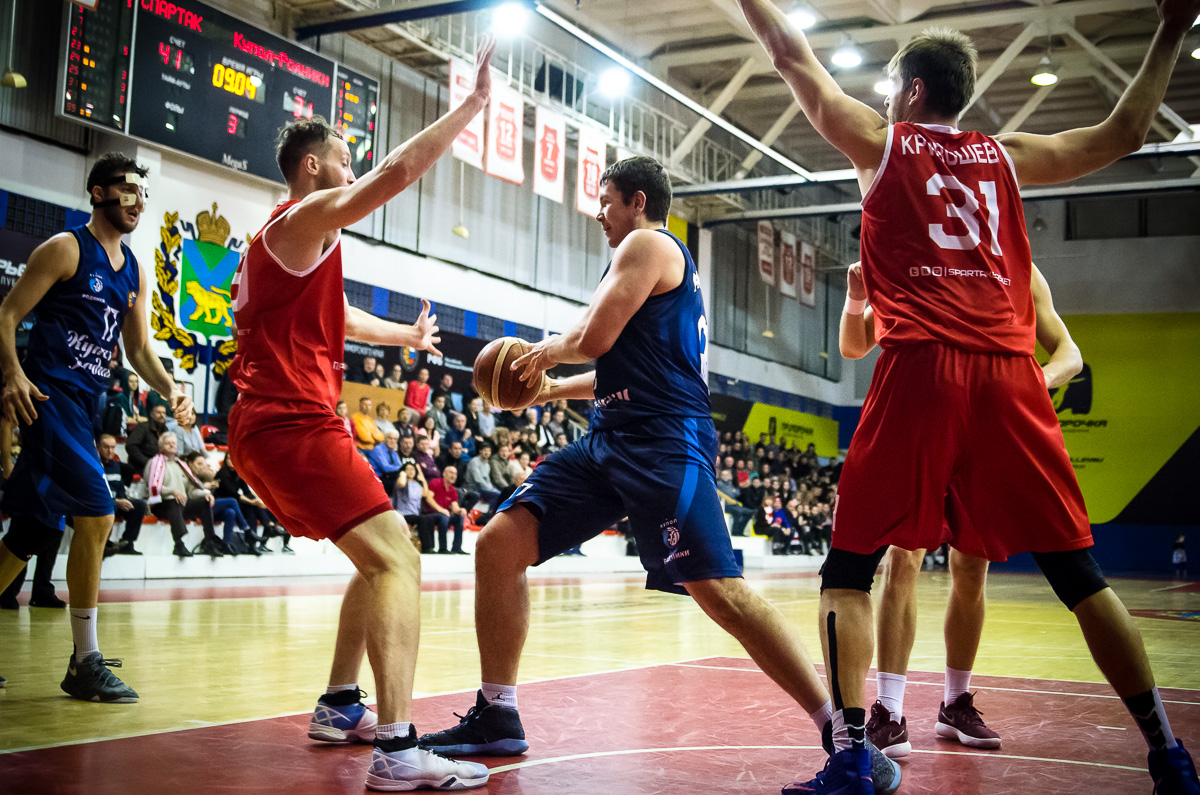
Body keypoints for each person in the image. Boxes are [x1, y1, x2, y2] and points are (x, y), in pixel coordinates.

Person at [736, 1, 1200, 791]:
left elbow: (789, 54)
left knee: (848, 569)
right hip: (1009, 376)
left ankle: (853, 758)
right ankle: (1168, 752)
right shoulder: (1007, 156)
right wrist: (1172, 27)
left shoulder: (882, 144)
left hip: (923, 368)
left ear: (914, 91)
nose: (886, 99)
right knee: (1080, 576)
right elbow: (1125, 133)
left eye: (892, 87)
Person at [417, 156, 900, 795]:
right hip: (610, 440)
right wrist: (552, 390)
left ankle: (841, 735)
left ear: (638, 201)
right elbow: (618, 366)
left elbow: (592, 337)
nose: (598, 213)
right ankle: (497, 712)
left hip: (666, 441)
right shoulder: (639, 263)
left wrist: (539, 355)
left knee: (719, 591)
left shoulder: (648, 245)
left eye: (606, 200)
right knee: (499, 543)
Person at [225, 36, 495, 792]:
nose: (353, 172)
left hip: (274, 424)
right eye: (344, 162)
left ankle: (341, 702)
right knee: (400, 559)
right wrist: (470, 107)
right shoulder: (303, 214)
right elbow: (394, 174)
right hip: (290, 423)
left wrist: (403, 335)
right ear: (313, 167)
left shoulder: (284, 246)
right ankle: (400, 750)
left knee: (379, 552)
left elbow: (335, 315)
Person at [840, 259, 1085, 757]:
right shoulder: (913, 258)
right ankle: (891, 710)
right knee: (904, 558)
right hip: (924, 419)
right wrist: (855, 295)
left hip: (986, 426)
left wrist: (1026, 387)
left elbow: (1070, 355)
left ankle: (955, 703)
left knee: (972, 567)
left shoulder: (1019, 268)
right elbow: (854, 345)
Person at [0, 153, 193, 702]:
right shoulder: (65, 249)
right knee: (98, 512)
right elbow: (6, 314)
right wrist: (12, 373)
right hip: (47, 398)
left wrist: (172, 388)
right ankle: (84, 661)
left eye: (142, 195)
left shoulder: (133, 269)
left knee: (31, 532)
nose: (136, 203)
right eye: (127, 191)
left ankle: (83, 661)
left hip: (84, 407)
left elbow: (138, 350)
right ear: (98, 193)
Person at [0, 418, 65, 609]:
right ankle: (7, 590)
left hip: (56, 472)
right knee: (25, 531)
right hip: (34, 471)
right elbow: (6, 423)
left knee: (54, 531)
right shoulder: (39, 400)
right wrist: (7, 463)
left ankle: (42, 591)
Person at [147, 434, 224, 558]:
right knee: (174, 501)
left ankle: (210, 542)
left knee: (204, 503)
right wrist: (172, 491)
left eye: (174, 443)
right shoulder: (154, 463)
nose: (172, 445)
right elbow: (151, 487)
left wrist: (205, 494)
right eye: (168, 443)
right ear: (161, 446)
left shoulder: (181, 465)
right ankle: (179, 544)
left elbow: (191, 490)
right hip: (161, 504)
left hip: (181, 503)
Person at [98, 433, 147, 556]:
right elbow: (97, 493)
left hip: (116, 502)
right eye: (106, 447)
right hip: (102, 504)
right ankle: (104, 544)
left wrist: (123, 499)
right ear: (98, 447)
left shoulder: (116, 466)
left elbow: (119, 488)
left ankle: (127, 542)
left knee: (140, 505)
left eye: (112, 447)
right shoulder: (95, 466)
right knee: (110, 505)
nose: (110, 451)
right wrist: (116, 501)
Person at [422, 465, 468, 555]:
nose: (454, 476)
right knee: (443, 517)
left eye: (455, 474)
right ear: (444, 474)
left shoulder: (453, 489)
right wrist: (441, 510)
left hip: (444, 515)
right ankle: (443, 548)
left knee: (459, 517)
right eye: (451, 473)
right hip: (430, 514)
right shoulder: (435, 482)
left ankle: (457, 548)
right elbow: (428, 498)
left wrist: (460, 510)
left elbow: (455, 507)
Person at [126, 403, 170, 472]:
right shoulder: (142, 427)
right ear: (152, 415)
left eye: (163, 413)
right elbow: (131, 446)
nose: (161, 415)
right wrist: (147, 462)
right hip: (141, 467)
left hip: (159, 467)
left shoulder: (165, 430)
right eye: (158, 413)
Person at [368, 430, 404, 497]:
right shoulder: (378, 449)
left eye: (395, 439)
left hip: (388, 478)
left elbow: (400, 465)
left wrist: (402, 469)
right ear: (385, 438)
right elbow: (386, 468)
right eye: (390, 438)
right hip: (378, 478)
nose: (392, 441)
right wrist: (401, 469)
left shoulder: (392, 450)